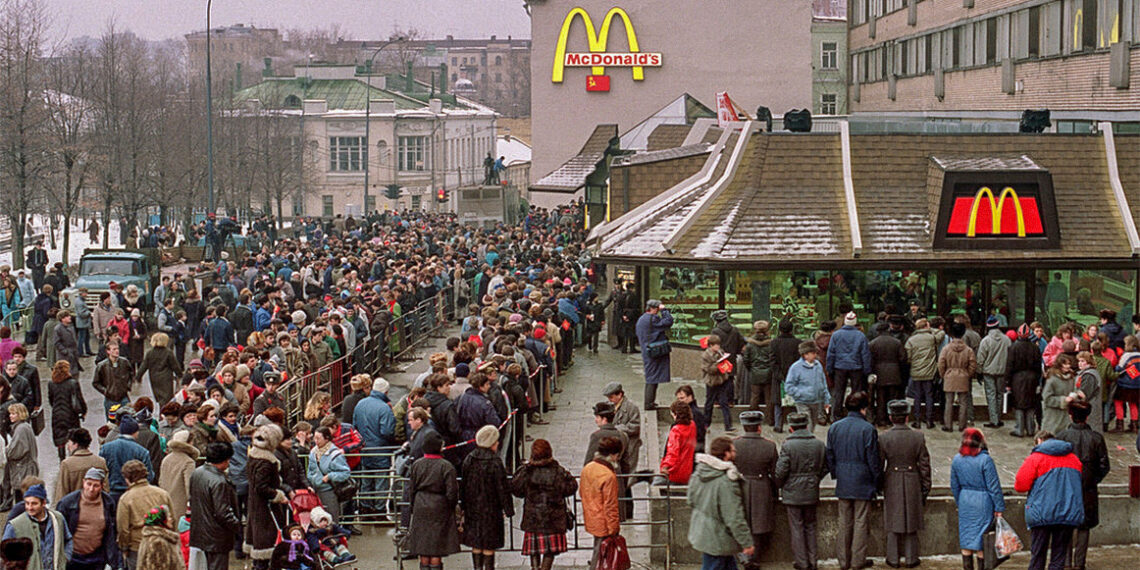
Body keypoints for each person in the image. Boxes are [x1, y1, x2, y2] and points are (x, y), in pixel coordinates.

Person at [825, 391, 881, 570]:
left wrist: (837, 473)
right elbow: (873, 460)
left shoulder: (835, 427)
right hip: (863, 480)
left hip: (843, 479)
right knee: (860, 521)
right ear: (864, 408)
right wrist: (877, 480)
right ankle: (858, 560)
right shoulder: (868, 429)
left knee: (844, 522)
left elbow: (830, 456)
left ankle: (844, 561)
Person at [1014, 431, 1084, 570]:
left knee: (1038, 556)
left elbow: (1020, 485)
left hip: (1042, 513)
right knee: (1059, 557)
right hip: (1067, 513)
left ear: (1039, 441)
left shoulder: (1035, 458)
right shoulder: (1074, 459)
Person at [1055, 401, 1109, 570]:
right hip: (1088, 488)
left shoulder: (1062, 436)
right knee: (1084, 528)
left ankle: (1066, 562)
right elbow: (1104, 466)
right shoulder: (1096, 438)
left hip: (1066, 489)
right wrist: (1092, 480)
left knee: (1066, 526)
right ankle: (1079, 563)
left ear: (1071, 415)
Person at [878, 400, 932, 568]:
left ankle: (892, 558)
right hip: (912, 478)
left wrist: (879, 485)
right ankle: (911, 557)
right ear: (907, 417)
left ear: (891, 417)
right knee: (912, 519)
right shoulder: (918, 436)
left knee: (893, 520)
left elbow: (879, 464)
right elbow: (924, 465)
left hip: (892, 478)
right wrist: (925, 487)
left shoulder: (884, 437)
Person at [687, 435, 754, 570]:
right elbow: (733, 516)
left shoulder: (698, 473)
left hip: (703, 532)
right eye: (733, 450)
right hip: (718, 538)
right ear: (726, 454)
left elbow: (690, 500)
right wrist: (746, 542)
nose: (735, 453)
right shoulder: (726, 482)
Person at [511, 439, 578, 570]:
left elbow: (516, 489)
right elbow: (572, 487)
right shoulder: (557, 470)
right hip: (553, 519)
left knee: (534, 549)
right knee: (549, 551)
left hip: (533, 518)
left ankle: (535, 568)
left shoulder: (527, 471)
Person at [774, 413, 828, 570]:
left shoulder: (788, 446)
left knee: (797, 528)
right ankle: (813, 561)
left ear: (791, 428)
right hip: (811, 491)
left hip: (793, 493)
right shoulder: (818, 444)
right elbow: (827, 466)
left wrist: (782, 485)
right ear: (806, 426)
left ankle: (802, 562)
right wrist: (815, 478)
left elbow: (780, 471)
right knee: (811, 527)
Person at [402, 430, 460, 569]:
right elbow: (452, 491)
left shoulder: (417, 464)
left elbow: (411, 488)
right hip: (439, 505)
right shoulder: (446, 466)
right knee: (436, 545)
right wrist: (453, 507)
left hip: (421, 504)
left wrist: (412, 506)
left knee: (423, 544)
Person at [950, 428, 1005, 570]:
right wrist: (999, 507)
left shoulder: (957, 459)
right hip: (983, 502)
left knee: (966, 539)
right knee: (982, 542)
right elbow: (994, 487)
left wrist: (959, 502)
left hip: (965, 500)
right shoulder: (985, 460)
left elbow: (954, 485)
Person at [460, 425, 514, 570]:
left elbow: (463, 486)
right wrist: (508, 509)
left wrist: (463, 506)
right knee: (489, 545)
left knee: (476, 544)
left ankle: (477, 568)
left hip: (473, 510)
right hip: (491, 510)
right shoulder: (495, 463)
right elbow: (502, 488)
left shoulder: (469, 459)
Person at [732, 411, 778, 569]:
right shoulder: (769, 445)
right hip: (762, 487)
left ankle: (744, 556)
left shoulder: (735, 444)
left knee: (742, 521)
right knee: (759, 525)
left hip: (740, 485)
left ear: (744, 426)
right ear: (759, 427)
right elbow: (775, 472)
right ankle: (754, 558)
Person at [189, 443, 242, 570]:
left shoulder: (197, 473)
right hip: (216, 536)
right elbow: (222, 513)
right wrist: (237, 526)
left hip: (200, 531)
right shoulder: (219, 481)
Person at [57, 468, 120, 570]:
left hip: (97, 557)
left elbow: (111, 531)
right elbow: (59, 530)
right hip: (73, 557)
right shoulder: (68, 503)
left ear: (102, 486)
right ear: (83, 483)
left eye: (96, 486)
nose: (91, 489)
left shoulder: (108, 503)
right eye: (89, 484)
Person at [115, 459, 172, 570]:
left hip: (137, 546)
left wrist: (124, 548)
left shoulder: (126, 499)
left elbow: (123, 529)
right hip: (161, 543)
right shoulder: (162, 494)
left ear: (127, 479)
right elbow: (171, 520)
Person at [246, 425, 289, 569]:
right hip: (265, 509)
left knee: (259, 547)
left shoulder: (254, 455)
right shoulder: (266, 462)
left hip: (256, 505)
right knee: (265, 547)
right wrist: (278, 495)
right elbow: (261, 487)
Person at [352, 377, 396, 513]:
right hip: (380, 449)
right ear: (386, 392)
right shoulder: (384, 408)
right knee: (381, 481)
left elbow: (355, 426)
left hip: (364, 448)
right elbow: (387, 431)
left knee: (366, 479)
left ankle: (365, 508)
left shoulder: (360, 404)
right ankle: (379, 510)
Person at [2, 484, 70, 570]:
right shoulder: (15, 525)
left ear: (44, 503)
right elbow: (5, 555)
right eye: (27, 503)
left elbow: (68, 540)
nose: (30, 507)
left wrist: (64, 559)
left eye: (34, 504)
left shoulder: (57, 519)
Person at [581, 436, 622, 570]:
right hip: (604, 521)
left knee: (597, 551)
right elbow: (610, 505)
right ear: (612, 455)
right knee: (601, 557)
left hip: (591, 516)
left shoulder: (588, 468)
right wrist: (614, 528)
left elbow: (582, 492)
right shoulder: (608, 476)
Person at [827, 312, 872, 421]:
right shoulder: (860, 336)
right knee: (856, 392)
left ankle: (836, 416)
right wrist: (867, 370)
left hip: (840, 367)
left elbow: (831, 353)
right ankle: (855, 414)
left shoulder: (836, 335)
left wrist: (829, 369)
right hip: (856, 367)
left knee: (838, 393)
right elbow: (865, 354)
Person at [305, 426, 351, 522]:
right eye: (315, 438)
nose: (316, 441)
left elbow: (345, 472)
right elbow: (310, 469)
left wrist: (330, 476)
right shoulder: (313, 452)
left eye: (318, 438)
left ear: (327, 438)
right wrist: (310, 481)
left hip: (328, 491)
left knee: (331, 519)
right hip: (314, 490)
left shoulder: (335, 454)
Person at [784, 341, 831, 433]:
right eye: (813, 353)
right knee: (807, 424)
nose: (815, 355)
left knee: (813, 424)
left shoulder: (818, 365)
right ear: (805, 355)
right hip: (802, 402)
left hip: (816, 401)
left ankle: (807, 440)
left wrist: (826, 398)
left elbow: (823, 382)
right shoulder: (796, 367)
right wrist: (800, 394)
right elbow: (789, 386)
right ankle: (807, 441)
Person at [939, 321, 977, 432]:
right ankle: (962, 425)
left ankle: (948, 425)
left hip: (950, 375)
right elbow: (973, 364)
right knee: (963, 402)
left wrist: (944, 375)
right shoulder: (968, 349)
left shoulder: (946, 349)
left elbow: (941, 363)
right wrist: (967, 374)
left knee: (948, 402)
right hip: (963, 375)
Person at [635, 299, 673, 410]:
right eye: (657, 308)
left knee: (652, 377)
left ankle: (650, 402)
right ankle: (648, 404)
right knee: (652, 379)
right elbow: (668, 321)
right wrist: (664, 310)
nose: (658, 311)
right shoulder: (653, 319)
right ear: (653, 308)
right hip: (654, 352)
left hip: (647, 350)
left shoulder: (642, 319)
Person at [1008, 324, 1045, 437]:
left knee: (1019, 404)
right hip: (1032, 378)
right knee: (1031, 403)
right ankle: (1030, 429)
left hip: (1017, 378)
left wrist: (1007, 382)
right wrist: (1038, 380)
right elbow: (1039, 366)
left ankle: (1019, 428)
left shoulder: (1014, 347)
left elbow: (1009, 366)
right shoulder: (1034, 348)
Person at [905, 319, 942, 429]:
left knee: (917, 396)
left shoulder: (911, 340)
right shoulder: (932, 338)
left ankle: (917, 420)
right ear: (926, 326)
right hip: (929, 371)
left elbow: (908, 357)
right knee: (928, 395)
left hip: (916, 371)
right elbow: (942, 333)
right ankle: (929, 420)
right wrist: (931, 330)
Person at [870, 322, 908, 427]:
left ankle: (881, 420)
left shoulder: (873, 343)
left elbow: (870, 360)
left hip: (879, 373)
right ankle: (892, 418)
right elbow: (903, 358)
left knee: (880, 398)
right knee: (893, 398)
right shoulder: (897, 342)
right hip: (894, 373)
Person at [53, 429, 106, 504]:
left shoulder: (67, 464)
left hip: (74, 509)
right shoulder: (100, 462)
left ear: (75, 444)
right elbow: (106, 490)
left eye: (69, 443)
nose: (68, 447)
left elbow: (61, 493)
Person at [977, 315, 1011, 428]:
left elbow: (981, 358)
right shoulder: (1006, 340)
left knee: (991, 395)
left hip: (989, 371)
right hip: (1002, 371)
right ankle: (999, 418)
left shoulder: (985, 341)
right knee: (1000, 394)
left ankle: (993, 419)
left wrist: (979, 371)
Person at [47, 361, 85, 461]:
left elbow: (51, 400)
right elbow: (79, 399)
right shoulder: (72, 383)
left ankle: (62, 459)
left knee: (60, 439)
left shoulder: (51, 383)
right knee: (73, 437)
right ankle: (74, 458)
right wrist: (83, 411)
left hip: (57, 414)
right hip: (71, 414)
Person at [769, 319, 801, 432]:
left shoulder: (774, 342)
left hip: (779, 377)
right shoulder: (798, 342)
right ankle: (794, 425)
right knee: (793, 402)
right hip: (795, 377)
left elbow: (772, 361)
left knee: (778, 402)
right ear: (792, 329)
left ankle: (778, 425)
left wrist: (779, 375)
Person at [158, 430, 198, 520]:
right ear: (188, 443)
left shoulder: (166, 459)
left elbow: (161, 481)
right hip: (181, 504)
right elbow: (189, 486)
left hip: (166, 502)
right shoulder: (188, 462)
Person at [709, 310, 746, 405]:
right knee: (730, 379)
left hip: (719, 359)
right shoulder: (734, 330)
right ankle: (730, 400)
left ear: (716, 320)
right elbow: (741, 343)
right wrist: (735, 352)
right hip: (731, 359)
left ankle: (717, 401)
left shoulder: (715, 331)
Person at [136, 333, 181, 408]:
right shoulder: (168, 352)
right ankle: (164, 413)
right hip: (166, 378)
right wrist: (180, 375)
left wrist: (138, 377)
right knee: (167, 399)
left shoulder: (150, 353)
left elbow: (143, 366)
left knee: (159, 398)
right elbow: (175, 366)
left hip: (154, 378)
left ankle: (162, 412)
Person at [5, 405, 38, 505]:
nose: (10, 416)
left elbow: (15, 452)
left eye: (13, 413)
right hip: (27, 468)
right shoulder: (25, 426)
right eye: (10, 413)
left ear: (20, 414)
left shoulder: (20, 429)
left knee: (22, 502)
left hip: (22, 471)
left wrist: (7, 450)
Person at [659, 400, 697, 485]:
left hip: (675, 472)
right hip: (687, 470)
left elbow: (673, 452)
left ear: (676, 415)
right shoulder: (692, 425)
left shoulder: (676, 430)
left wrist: (665, 466)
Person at [92, 341, 133, 420]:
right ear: (108, 351)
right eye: (114, 349)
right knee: (111, 421)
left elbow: (131, 375)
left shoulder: (125, 362)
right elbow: (95, 382)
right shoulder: (102, 366)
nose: (117, 351)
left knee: (128, 419)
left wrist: (128, 386)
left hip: (123, 397)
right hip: (110, 399)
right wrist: (106, 391)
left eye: (117, 349)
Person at [701, 334, 734, 431]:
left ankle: (728, 425)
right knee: (709, 403)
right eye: (716, 345)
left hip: (722, 381)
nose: (718, 347)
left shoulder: (721, 352)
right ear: (711, 345)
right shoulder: (706, 355)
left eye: (718, 345)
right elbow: (708, 369)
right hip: (711, 382)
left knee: (724, 402)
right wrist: (718, 365)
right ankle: (706, 424)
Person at [584, 402, 628, 472]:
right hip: (617, 477)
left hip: (600, 476)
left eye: (597, 417)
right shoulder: (623, 436)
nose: (596, 420)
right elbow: (625, 463)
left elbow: (588, 461)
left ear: (604, 419)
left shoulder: (596, 436)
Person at [136, 505, 183, 570]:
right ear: (161, 520)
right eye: (168, 516)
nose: (171, 519)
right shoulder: (158, 542)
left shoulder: (153, 537)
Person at [1042, 354, 1078, 436]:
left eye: (1069, 364)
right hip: (1053, 417)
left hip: (1066, 416)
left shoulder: (1071, 378)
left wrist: (1076, 395)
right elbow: (1047, 398)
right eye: (1065, 364)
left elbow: (1074, 391)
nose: (1068, 366)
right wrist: (1063, 400)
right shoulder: (1052, 379)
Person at [742, 321, 774, 411]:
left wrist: (751, 369)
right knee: (769, 398)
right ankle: (771, 420)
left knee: (754, 397)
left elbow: (746, 360)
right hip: (768, 373)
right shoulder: (771, 344)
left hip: (755, 373)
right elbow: (773, 359)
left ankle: (752, 419)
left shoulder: (750, 344)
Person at [1074, 351, 1104, 435]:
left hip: (1089, 410)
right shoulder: (1087, 373)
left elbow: (1084, 394)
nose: (1079, 363)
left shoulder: (1089, 375)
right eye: (1079, 361)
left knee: (1091, 432)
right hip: (1088, 409)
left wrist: (1071, 397)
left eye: (1082, 361)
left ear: (1089, 362)